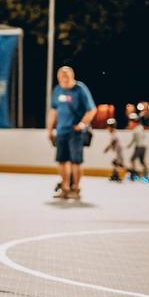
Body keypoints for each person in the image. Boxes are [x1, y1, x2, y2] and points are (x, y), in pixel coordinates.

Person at [46, 66, 97, 200]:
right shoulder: (57, 90)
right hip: (61, 131)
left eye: (66, 75)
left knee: (76, 161)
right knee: (62, 160)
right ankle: (65, 188)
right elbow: (53, 111)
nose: (63, 78)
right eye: (61, 75)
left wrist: (82, 124)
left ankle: (76, 188)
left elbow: (92, 109)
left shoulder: (80, 89)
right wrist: (50, 129)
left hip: (75, 132)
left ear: (72, 76)